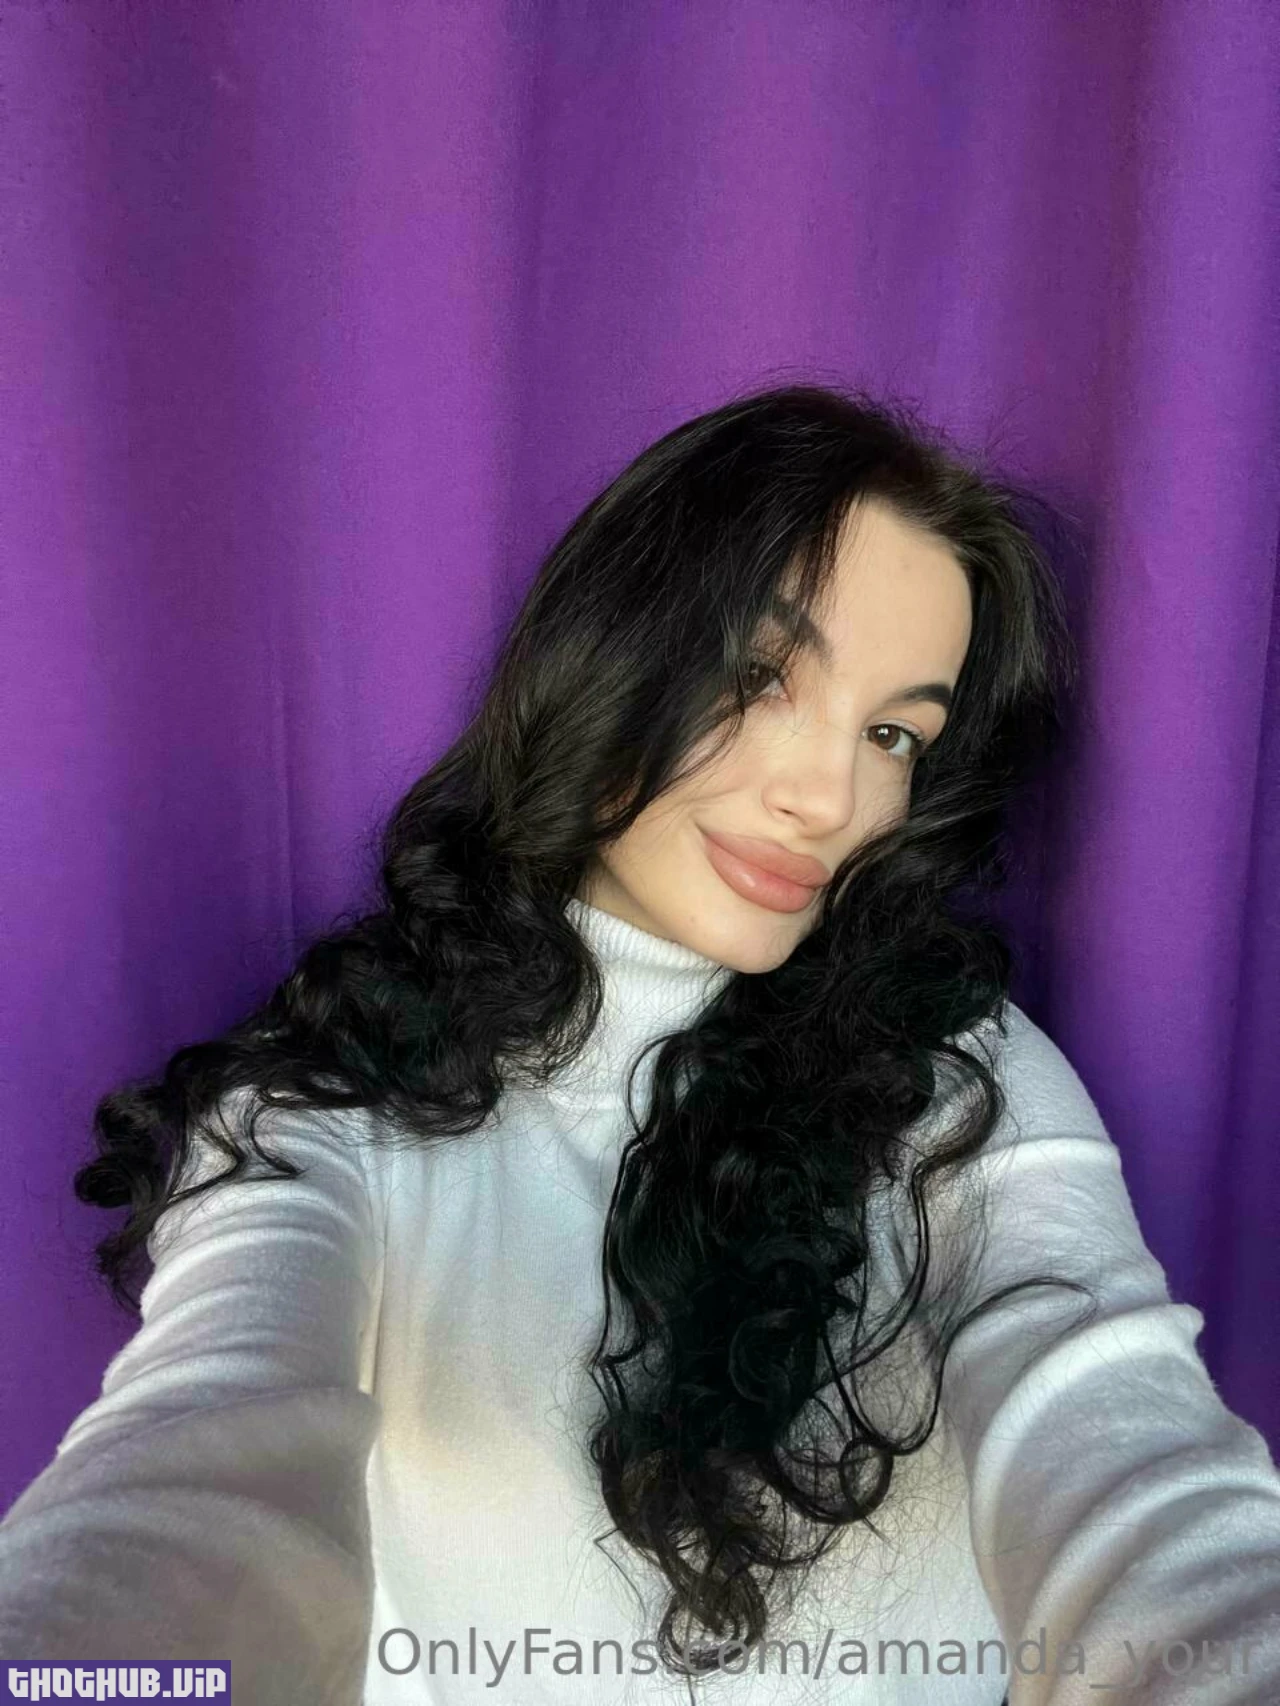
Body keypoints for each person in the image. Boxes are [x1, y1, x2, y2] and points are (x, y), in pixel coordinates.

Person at [1, 384, 1278, 1706]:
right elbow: (207, 1460)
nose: (831, 796)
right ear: (617, 650)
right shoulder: (329, 1102)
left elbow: (1133, 1463)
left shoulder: (962, 1081)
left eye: (894, 734)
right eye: (762, 678)